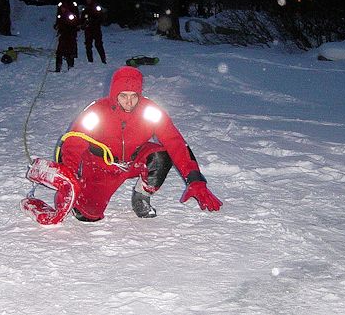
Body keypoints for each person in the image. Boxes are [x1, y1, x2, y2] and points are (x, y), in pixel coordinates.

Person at [56, 66, 222, 222]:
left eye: (133, 96)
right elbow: (73, 143)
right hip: (101, 166)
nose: (129, 102)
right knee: (88, 215)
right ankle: (85, 197)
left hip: (133, 162)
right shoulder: (97, 112)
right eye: (123, 96)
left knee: (161, 156)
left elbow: (175, 142)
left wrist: (194, 178)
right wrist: (67, 177)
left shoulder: (150, 112)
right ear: (114, 94)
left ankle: (142, 195)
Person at [54, 0, 79, 72]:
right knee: (59, 52)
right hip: (63, 35)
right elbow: (58, 20)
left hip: (70, 35)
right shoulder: (61, 14)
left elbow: (75, 22)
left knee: (69, 52)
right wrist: (57, 25)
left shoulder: (71, 13)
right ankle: (58, 68)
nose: (62, 9)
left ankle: (70, 67)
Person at [80, 0, 106, 64]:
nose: (88, 1)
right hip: (88, 30)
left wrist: (93, 21)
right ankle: (90, 61)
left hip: (96, 29)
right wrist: (83, 25)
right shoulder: (85, 9)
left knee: (98, 44)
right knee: (88, 45)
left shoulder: (96, 8)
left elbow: (101, 18)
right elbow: (82, 19)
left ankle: (103, 60)